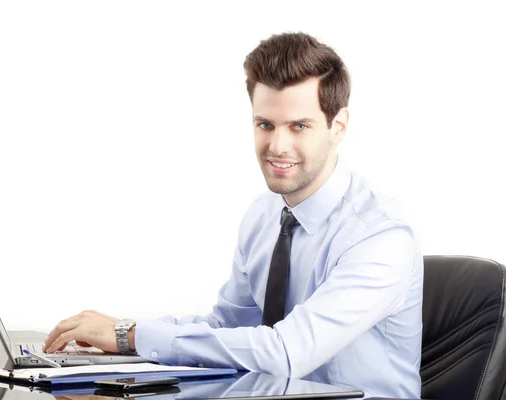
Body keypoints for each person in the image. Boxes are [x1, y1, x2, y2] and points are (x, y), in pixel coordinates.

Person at [43, 32, 423, 399]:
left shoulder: (380, 234)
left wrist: (133, 335)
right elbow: (228, 328)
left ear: (337, 126)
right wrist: (119, 337)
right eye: (265, 125)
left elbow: (286, 353)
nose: (277, 145)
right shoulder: (263, 215)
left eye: (299, 126)